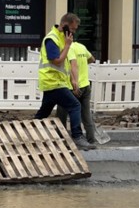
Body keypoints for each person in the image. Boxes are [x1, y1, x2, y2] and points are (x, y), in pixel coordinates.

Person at [34, 13, 94, 150]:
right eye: (72, 29)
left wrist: (73, 79)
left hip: (55, 82)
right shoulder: (52, 39)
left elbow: (67, 63)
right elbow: (57, 60)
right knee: (75, 106)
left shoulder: (61, 38)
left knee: (43, 113)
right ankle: (77, 136)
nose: (73, 33)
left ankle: (28, 133)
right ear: (64, 25)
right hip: (53, 82)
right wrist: (67, 46)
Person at [56, 40, 99, 144]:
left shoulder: (68, 49)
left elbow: (72, 66)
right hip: (86, 85)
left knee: (62, 114)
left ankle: (62, 139)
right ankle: (91, 140)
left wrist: (75, 83)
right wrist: (82, 64)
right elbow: (92, 59)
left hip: (72, 87)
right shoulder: (81, 47)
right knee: (86, 115)